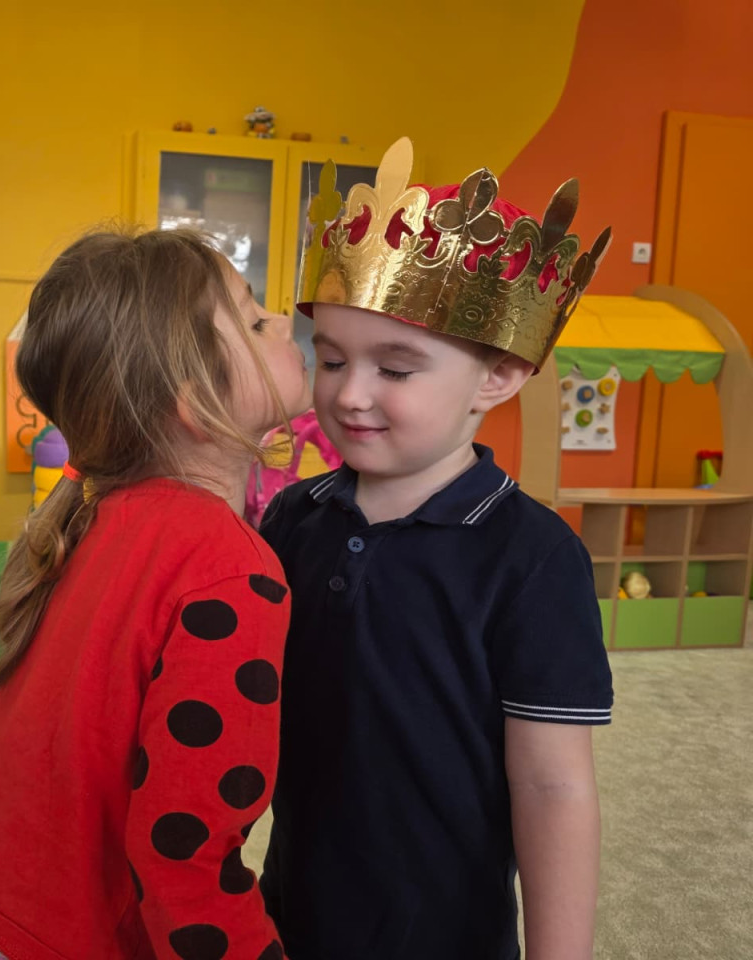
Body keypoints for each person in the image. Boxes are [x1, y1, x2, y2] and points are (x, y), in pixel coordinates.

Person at [259, 138, 615, 960]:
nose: (349, 393)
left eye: (396, 369)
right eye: (331, 358)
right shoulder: (292, 520)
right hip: (289, 915)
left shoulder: (534, 558)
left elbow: (553, 784)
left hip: (448, 937)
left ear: (498, 376)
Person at [0, 227, 311, 960]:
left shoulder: (97, 513)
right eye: (256, 320)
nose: (285, 320)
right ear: (196, 401)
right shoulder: (230, 569)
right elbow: (185, 856)